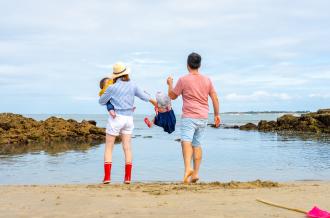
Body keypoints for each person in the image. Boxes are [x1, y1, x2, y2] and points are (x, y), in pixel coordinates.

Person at [167, 52, 220, 183]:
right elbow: (214, 98)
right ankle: (195, 173)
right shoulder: (207, 80)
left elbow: (172, 96)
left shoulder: (183, 79)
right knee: (197, 144)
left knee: (185, 141)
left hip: (189, 116)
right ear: (199, 65)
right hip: (203, 116)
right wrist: (217, 115)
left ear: (187, 65)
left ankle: (187, 169)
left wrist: (169, 84)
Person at [99, 62, 156, 184]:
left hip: (116, 118)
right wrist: (155, 103)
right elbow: (145, 97)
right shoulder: (133, 86)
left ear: (115, 75)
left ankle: (107, 177)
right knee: (127, 148)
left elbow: (101, 101)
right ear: (126, 73)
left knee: (109, 148)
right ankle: (127, 178)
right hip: (129, 119)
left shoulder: (111, 88)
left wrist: (107, 94)